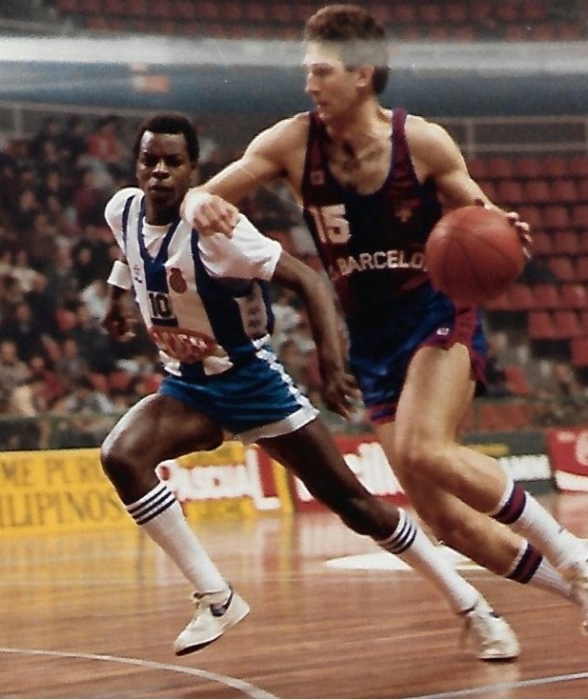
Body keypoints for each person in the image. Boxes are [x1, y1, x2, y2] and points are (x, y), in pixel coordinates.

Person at [180, 4, 588, 639]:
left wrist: (506, 233)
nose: (309, 85)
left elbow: (484, 218)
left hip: (436, 314)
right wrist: (198, 203)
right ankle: (577, 593)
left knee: (426, 447)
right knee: (443, 521)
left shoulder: (421, 142)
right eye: (307, 71)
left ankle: (572, 551)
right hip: (371, 340)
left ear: (362, 74)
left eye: (321, 71)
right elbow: (201, 193)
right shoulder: (290, 142)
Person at [100, 112, 520, 660]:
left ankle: (472, 606)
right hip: (190, 389)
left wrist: (330, 361)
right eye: (149, 160)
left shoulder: (220, 232)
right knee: (121, 456)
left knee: (356, 506)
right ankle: (216, 596)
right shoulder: (123, 209)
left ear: (193, 170)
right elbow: (128, 250)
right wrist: (117, 298)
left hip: (253, 386)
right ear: (136, 165)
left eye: (172, 162)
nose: (159, 171)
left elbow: (309, 281)